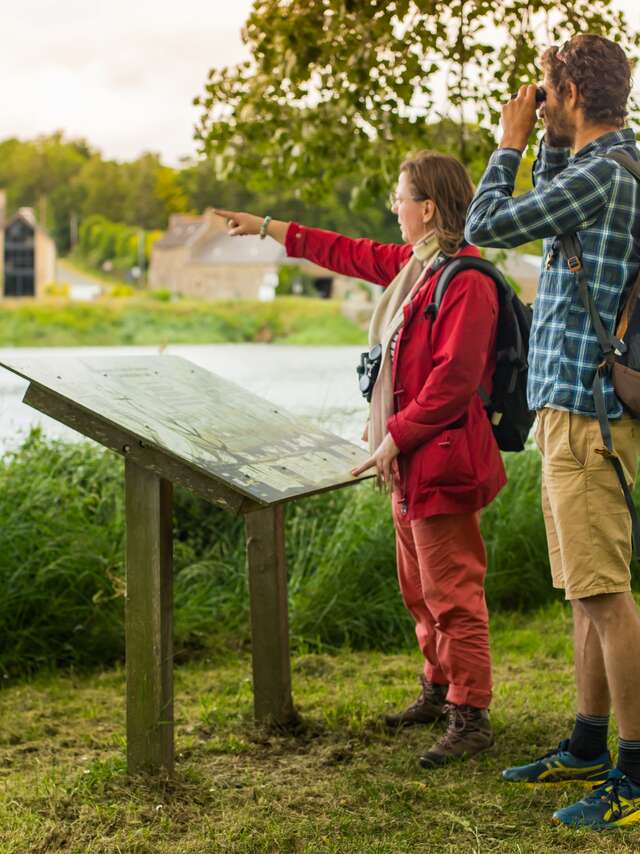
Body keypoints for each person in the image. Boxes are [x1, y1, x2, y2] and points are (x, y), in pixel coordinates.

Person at [214, 149, 507, 768]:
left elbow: (454, 381)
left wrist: (393, 435)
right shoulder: (417, 270)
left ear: (427, 208)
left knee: (452, 591)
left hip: (442, 458)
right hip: (410, 459)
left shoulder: (467, 280)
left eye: (399, 199)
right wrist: (268, 227)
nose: (393, 210)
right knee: (419, 590)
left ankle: (471, 715)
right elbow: (346, 252)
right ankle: (437, 690)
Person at [465, 33, 640, 830]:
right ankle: (585, 743)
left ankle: (633, 775)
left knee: (604, 594)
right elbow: (553, 198)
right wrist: (544, 136)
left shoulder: (603, 175)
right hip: (576, 409)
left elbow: (489, 224)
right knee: (583, 592)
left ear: (569, 91)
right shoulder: (611, 167)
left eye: (548, 91)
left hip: (586, 414)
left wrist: (505, 144)